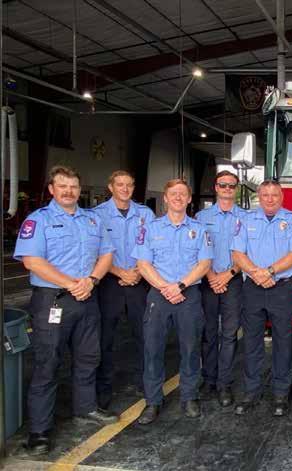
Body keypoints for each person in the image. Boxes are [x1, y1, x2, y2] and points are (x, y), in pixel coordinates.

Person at [15, 166, 118, 456]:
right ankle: (39, 431)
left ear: (79, 189)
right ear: (51, 189)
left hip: (87, 297)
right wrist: (72, 284)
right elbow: (32, 261)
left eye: (73, 186)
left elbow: (107, 254)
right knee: (47, 362)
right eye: (62, 186)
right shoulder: (39, 220)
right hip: (54, 299)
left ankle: (85, 408)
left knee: (88, 356)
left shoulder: (92, 220)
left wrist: (92, 280)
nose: (68, 191)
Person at [132, 179, 213, 424]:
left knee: (190, 348)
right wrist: (165, 287)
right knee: (152, 349)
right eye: (173, 194)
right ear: (165, 198)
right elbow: (143, 264)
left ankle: (189, 397)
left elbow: (205, 264)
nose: (178, 197)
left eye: (182, 194)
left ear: (189, 199)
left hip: (188, 294)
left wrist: (180, 286)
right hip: (159, 295)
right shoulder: (150, 229)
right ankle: (153, 401)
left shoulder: (200, 230)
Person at [232, 180, 292, 417]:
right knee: (251, 341)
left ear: (281, 197)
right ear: (259, 197)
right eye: (265, 195)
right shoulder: (246, 220)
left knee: (283, 342)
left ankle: (281, 394)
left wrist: (269, 272)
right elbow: (237, 253)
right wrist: (257, 273)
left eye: (274, 195)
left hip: (281, 288)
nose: (270, 199)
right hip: (253, 288)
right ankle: (251, 392)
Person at [94, 170, 155, 409]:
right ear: (111, 187)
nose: (125, 189)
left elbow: (153, 247)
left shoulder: (146, 214)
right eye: (120, 184)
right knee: (105, 338)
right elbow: (94, 252)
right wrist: (121, 272)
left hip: (140, 280)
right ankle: (104, 388)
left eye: (129, 184)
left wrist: (138, 272)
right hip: (110, 282)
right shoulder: (97, 215)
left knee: (145, 335)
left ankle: (146, 382)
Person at [195, 170, 246, 407]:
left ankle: (224, 384)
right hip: (208, 280)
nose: (227, 189)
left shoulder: (245, 218)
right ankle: (209, 380)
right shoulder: (201, 217)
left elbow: (246, 252)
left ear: (236, 189)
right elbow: (197, 250)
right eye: (222, 185)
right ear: (215, 187)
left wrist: (227, 275)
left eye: (231, 186)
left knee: (229, 334)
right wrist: (212, 276)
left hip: (233, 280)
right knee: (208, 333)